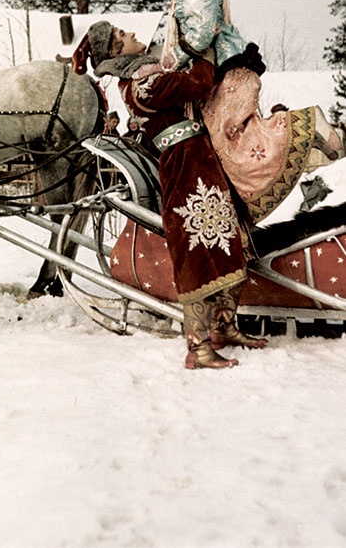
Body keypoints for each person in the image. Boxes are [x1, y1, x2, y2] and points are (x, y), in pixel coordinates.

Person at [84, 20, 266, 370]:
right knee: (196, 252)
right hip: (184, 169)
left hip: (200, 160)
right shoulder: (140, 85)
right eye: (124, 36)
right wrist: (206, 46)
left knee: (230, 242)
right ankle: (198, 348)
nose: (133, 35)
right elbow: (197, 82)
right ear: (115, 52)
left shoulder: (151, 72)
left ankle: (224, 328)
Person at [157, 0, 343, 223]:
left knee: (231, 145)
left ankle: (310, 125)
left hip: (224, 74)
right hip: (218, 74)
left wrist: (168, 66)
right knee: (226, 146)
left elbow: (200, 35)